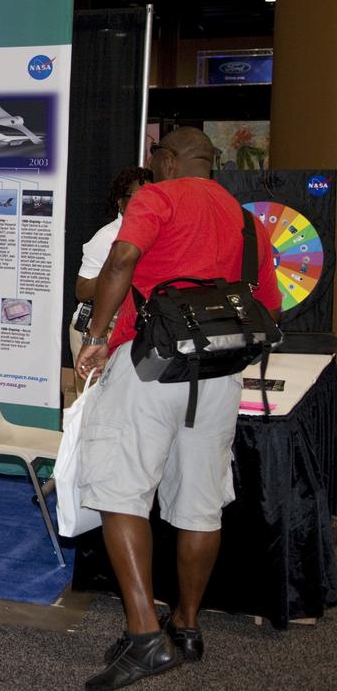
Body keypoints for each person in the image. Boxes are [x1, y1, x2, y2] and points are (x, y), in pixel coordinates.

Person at [75, 127, 280, 690]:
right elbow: (268, 301)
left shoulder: (157, 197)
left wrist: (96, 336)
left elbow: (123, 257)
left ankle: (145, 638)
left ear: (166, 161)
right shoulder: (246, 220)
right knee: (200, 501)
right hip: (217, 374)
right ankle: (185, 627)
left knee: (120, 491)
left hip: (149, 366)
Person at [69, 167, 152, 374]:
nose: (145, 202)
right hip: (94, 332)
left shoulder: (154, 235)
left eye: (152, 196)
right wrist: (119, 269)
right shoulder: (108, 237)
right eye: (137, 196)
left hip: (131, 332)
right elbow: (82, 290)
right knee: (92, 402)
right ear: (120, 202)